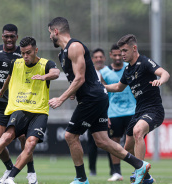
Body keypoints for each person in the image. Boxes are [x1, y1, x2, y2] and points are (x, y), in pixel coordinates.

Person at [48, 17, 152, 184]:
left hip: (92, 98)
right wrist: (73, 93)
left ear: (56, 31)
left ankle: (81, 178)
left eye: (49, 33)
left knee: (70, 135)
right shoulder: (62, 53)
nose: (49, 37)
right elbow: (78, 78)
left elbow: (80, 78)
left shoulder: (74, 47)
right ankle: (139, 165)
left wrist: (61, 98)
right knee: (102, 141)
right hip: (94, 97)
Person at [0, 36, 60, 184]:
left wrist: (44, 77)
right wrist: (2, 91)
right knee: (5, 138)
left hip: (39, 112)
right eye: (23, 53)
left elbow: (56, 73)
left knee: (30, 143)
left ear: (36, 50)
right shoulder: (16, 63)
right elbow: (8, 78)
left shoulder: (46, 64)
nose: (25, 56)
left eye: (28, 53)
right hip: (20, 109)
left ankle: (11, 177)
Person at [104, 34, 170, 184]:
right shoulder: (127, 70)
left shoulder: (145, 62)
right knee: (126, 149)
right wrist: (101, 88)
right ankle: (146, 178)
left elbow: (165, 73)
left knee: (138, 131)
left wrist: (160, 80)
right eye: (120, 51)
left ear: (134, 48)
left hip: (154, 110)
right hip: (139, 111)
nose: (122, 55)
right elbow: (118, 87)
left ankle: (139, 171)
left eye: (125, 51)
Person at [0, 24, 38, 184]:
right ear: (2, 36)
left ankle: (31, 172)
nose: (9, 39)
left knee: (24, 138)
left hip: (19, 104)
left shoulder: (23, 53)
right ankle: (9, 168)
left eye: (12, 36)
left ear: (17, 37)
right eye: (6, 36)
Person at [99, 44, 136, 181]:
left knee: (134, 141)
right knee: (114, 142)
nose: (117, 57)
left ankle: (138, 170)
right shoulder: (104, 72)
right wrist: (105, 114)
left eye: (119, 54)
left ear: (123, 54)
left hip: (132, 111)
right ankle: (117, 172)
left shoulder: (130, 68)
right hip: (114, 113)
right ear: (110, 55)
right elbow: (103, 95)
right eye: (114, 55)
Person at [87, 48, 114, 177]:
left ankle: (114, 170)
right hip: (91, 113)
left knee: (109, 142)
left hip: (107, 112)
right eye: (96, 57)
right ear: (92, 59)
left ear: (104, 58)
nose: (98, 59)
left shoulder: (108, 73)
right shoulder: (89, 73)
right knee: (92, 143)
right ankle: (92, 170)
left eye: (100, 57)